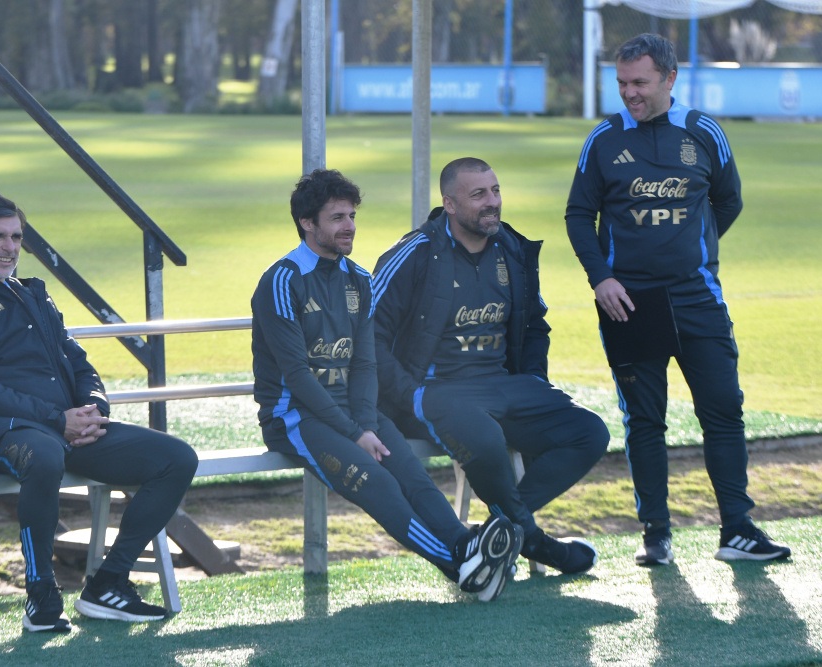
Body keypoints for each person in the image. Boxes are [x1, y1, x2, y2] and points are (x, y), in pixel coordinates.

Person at [0, 193, 199, 632]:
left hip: (66, 427)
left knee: (176, 458)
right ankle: (41, 595)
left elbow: (79, 362)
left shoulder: (33, 294)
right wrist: (55, 420)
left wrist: (94, 410)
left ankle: (108, 582)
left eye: (16, 237)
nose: (9, 247)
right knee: (44, 456)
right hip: (2, 433)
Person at [564, 33, 791, 566]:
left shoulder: (703, 132)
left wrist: (695, 251)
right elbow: (579, 215)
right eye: (622, 83)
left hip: (697, 298)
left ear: (670, 79)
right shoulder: (602, 140)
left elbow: (728, 201)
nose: (629, 94)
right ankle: (656, 536)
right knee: (644, 421)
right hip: (628, 303)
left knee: (724, 411)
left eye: (640, 82)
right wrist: (601, 278)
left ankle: (736, 529)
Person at [251, 168, 519, 602]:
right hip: (296, 416)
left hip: (355, 412)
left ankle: (468, 546)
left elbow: (364, 362)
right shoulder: (282, 281)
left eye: (352, 216)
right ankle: (461, 565)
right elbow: (298, 377)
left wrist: (365, 423)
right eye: (337, 218)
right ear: (307, 223)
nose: (350, 227)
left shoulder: (359, 280)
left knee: (413, 476)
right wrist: (355, 432)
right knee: (379, 484)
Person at [372, 157, 610, 577]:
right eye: (478, 194)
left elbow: (535, 325)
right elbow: (368, 338)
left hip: (503, 387)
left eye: (496, 191)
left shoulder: (513, 249)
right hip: (433, 393)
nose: (492, 203)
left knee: (589, 432)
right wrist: (409, 395)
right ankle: (535, 541)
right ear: (448, 203)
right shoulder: (414, 253)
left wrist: (533, 379)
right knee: (486, 437)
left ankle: (500, 531)